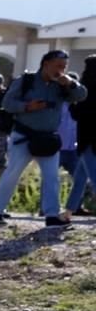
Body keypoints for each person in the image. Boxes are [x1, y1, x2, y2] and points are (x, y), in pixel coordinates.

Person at [0, 50, 87, 226]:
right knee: (12, 173)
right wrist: (27, 106)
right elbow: (7, 103)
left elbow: (81, 95)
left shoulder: (63, 84)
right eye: (58, 66)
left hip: (48, 139)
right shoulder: (25, 81)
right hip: (24, 136)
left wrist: (71, 84)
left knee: (52, 177)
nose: (61, 70)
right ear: (46, 64)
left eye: (64, 66)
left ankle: (51, 215)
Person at [63, 55, 96, 220]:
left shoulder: (85, 91)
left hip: (87, 138)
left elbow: (76, 114)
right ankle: (69, 212)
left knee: (93, 177)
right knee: (80, 179)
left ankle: (68, 212)